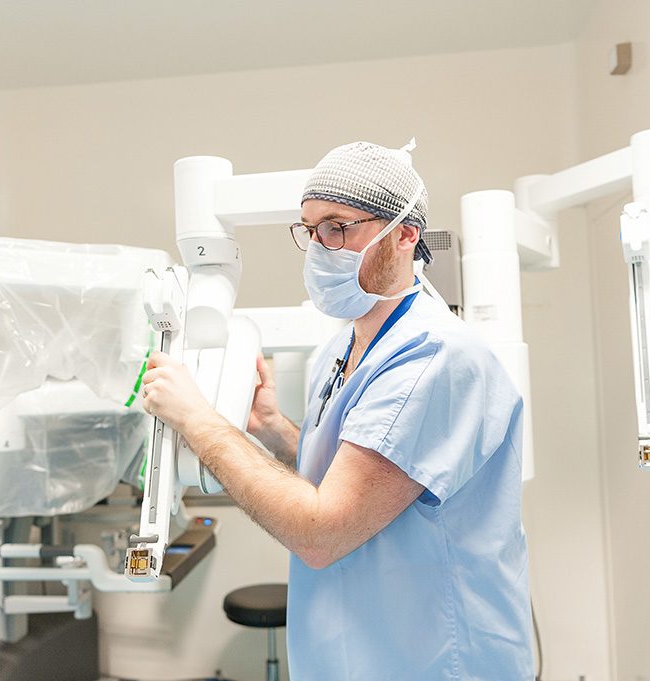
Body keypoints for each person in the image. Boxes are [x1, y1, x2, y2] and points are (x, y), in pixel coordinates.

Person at [141, 140, 533, 680]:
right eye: (309, 230)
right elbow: (352, 471)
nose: (319, 247)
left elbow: (322, 531)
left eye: (337, 226)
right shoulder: (341, 349)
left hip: (431, 658)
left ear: (404, 232)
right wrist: (273, 428)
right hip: (355, 649)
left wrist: (199, 419)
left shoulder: (434, 359)